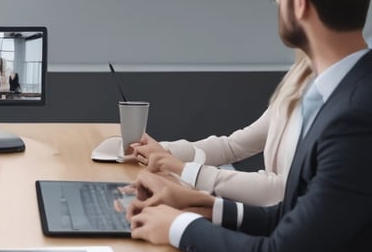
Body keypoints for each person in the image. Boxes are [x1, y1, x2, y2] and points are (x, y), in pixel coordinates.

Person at [128, 0, 372, 252]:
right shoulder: (335, 92)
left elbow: (282, 250)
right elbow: (293, 218)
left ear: (298, 2)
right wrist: (203, 206)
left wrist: (178, 227)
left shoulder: (354, 116)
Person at [128, 50, 314, 206]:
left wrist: (184, 170)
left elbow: (282, 190)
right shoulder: (299, 75)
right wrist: (165, 152)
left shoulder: (329, 97)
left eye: (277, 3)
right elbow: (234, 146)